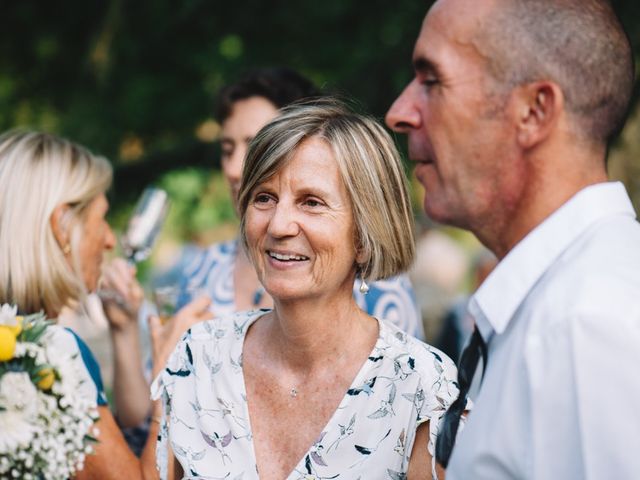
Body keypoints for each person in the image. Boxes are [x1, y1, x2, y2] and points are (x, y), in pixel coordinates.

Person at [386, 0, 640, 478]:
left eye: (432, 81)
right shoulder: (561, 306)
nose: (399, 112)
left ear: (533, 111)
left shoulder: (587, 327)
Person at [151, 99, 460, 480]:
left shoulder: (422, 386)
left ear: (365, 235)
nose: (279, 225)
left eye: (311, 203)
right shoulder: (199, 357)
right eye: (264, 197)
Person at [108, 67, 425, 434]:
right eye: (227, 149)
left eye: (311, 202)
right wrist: (128, 331)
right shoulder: (202, 274)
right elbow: (148, 427)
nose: (232, 168)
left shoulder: (401, 339)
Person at [0, 130, 211, 479]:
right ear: (63, 227)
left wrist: (124, 329)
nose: (111, 239)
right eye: (101, 219)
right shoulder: (49, 354)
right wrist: (172, 371)